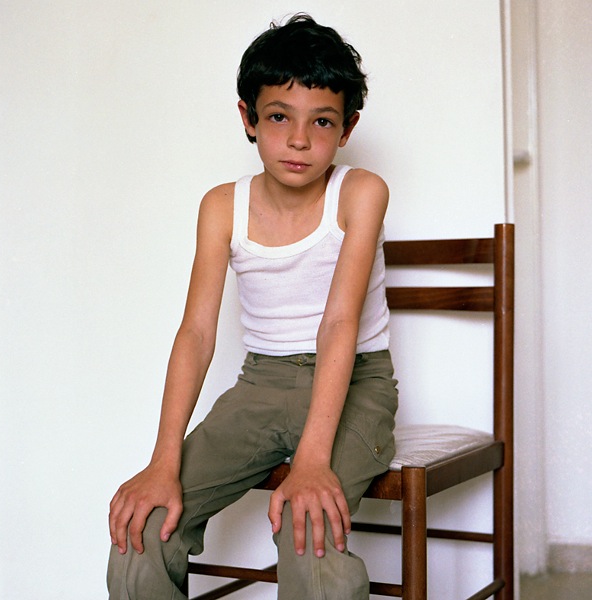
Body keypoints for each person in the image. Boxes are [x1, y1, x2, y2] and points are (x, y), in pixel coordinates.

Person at [107, 13, 398, 600]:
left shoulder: (361, 193)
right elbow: (195, 333)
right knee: (143, 531)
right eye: (277, 117)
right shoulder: (221, 206)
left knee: (309, 533)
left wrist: (313, 460)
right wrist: (163, 460)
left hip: (355, 384)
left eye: (321, 121)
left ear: (347, 129)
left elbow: (340, 323)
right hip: (259, 383)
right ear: (248, 118)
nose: (298, 140)